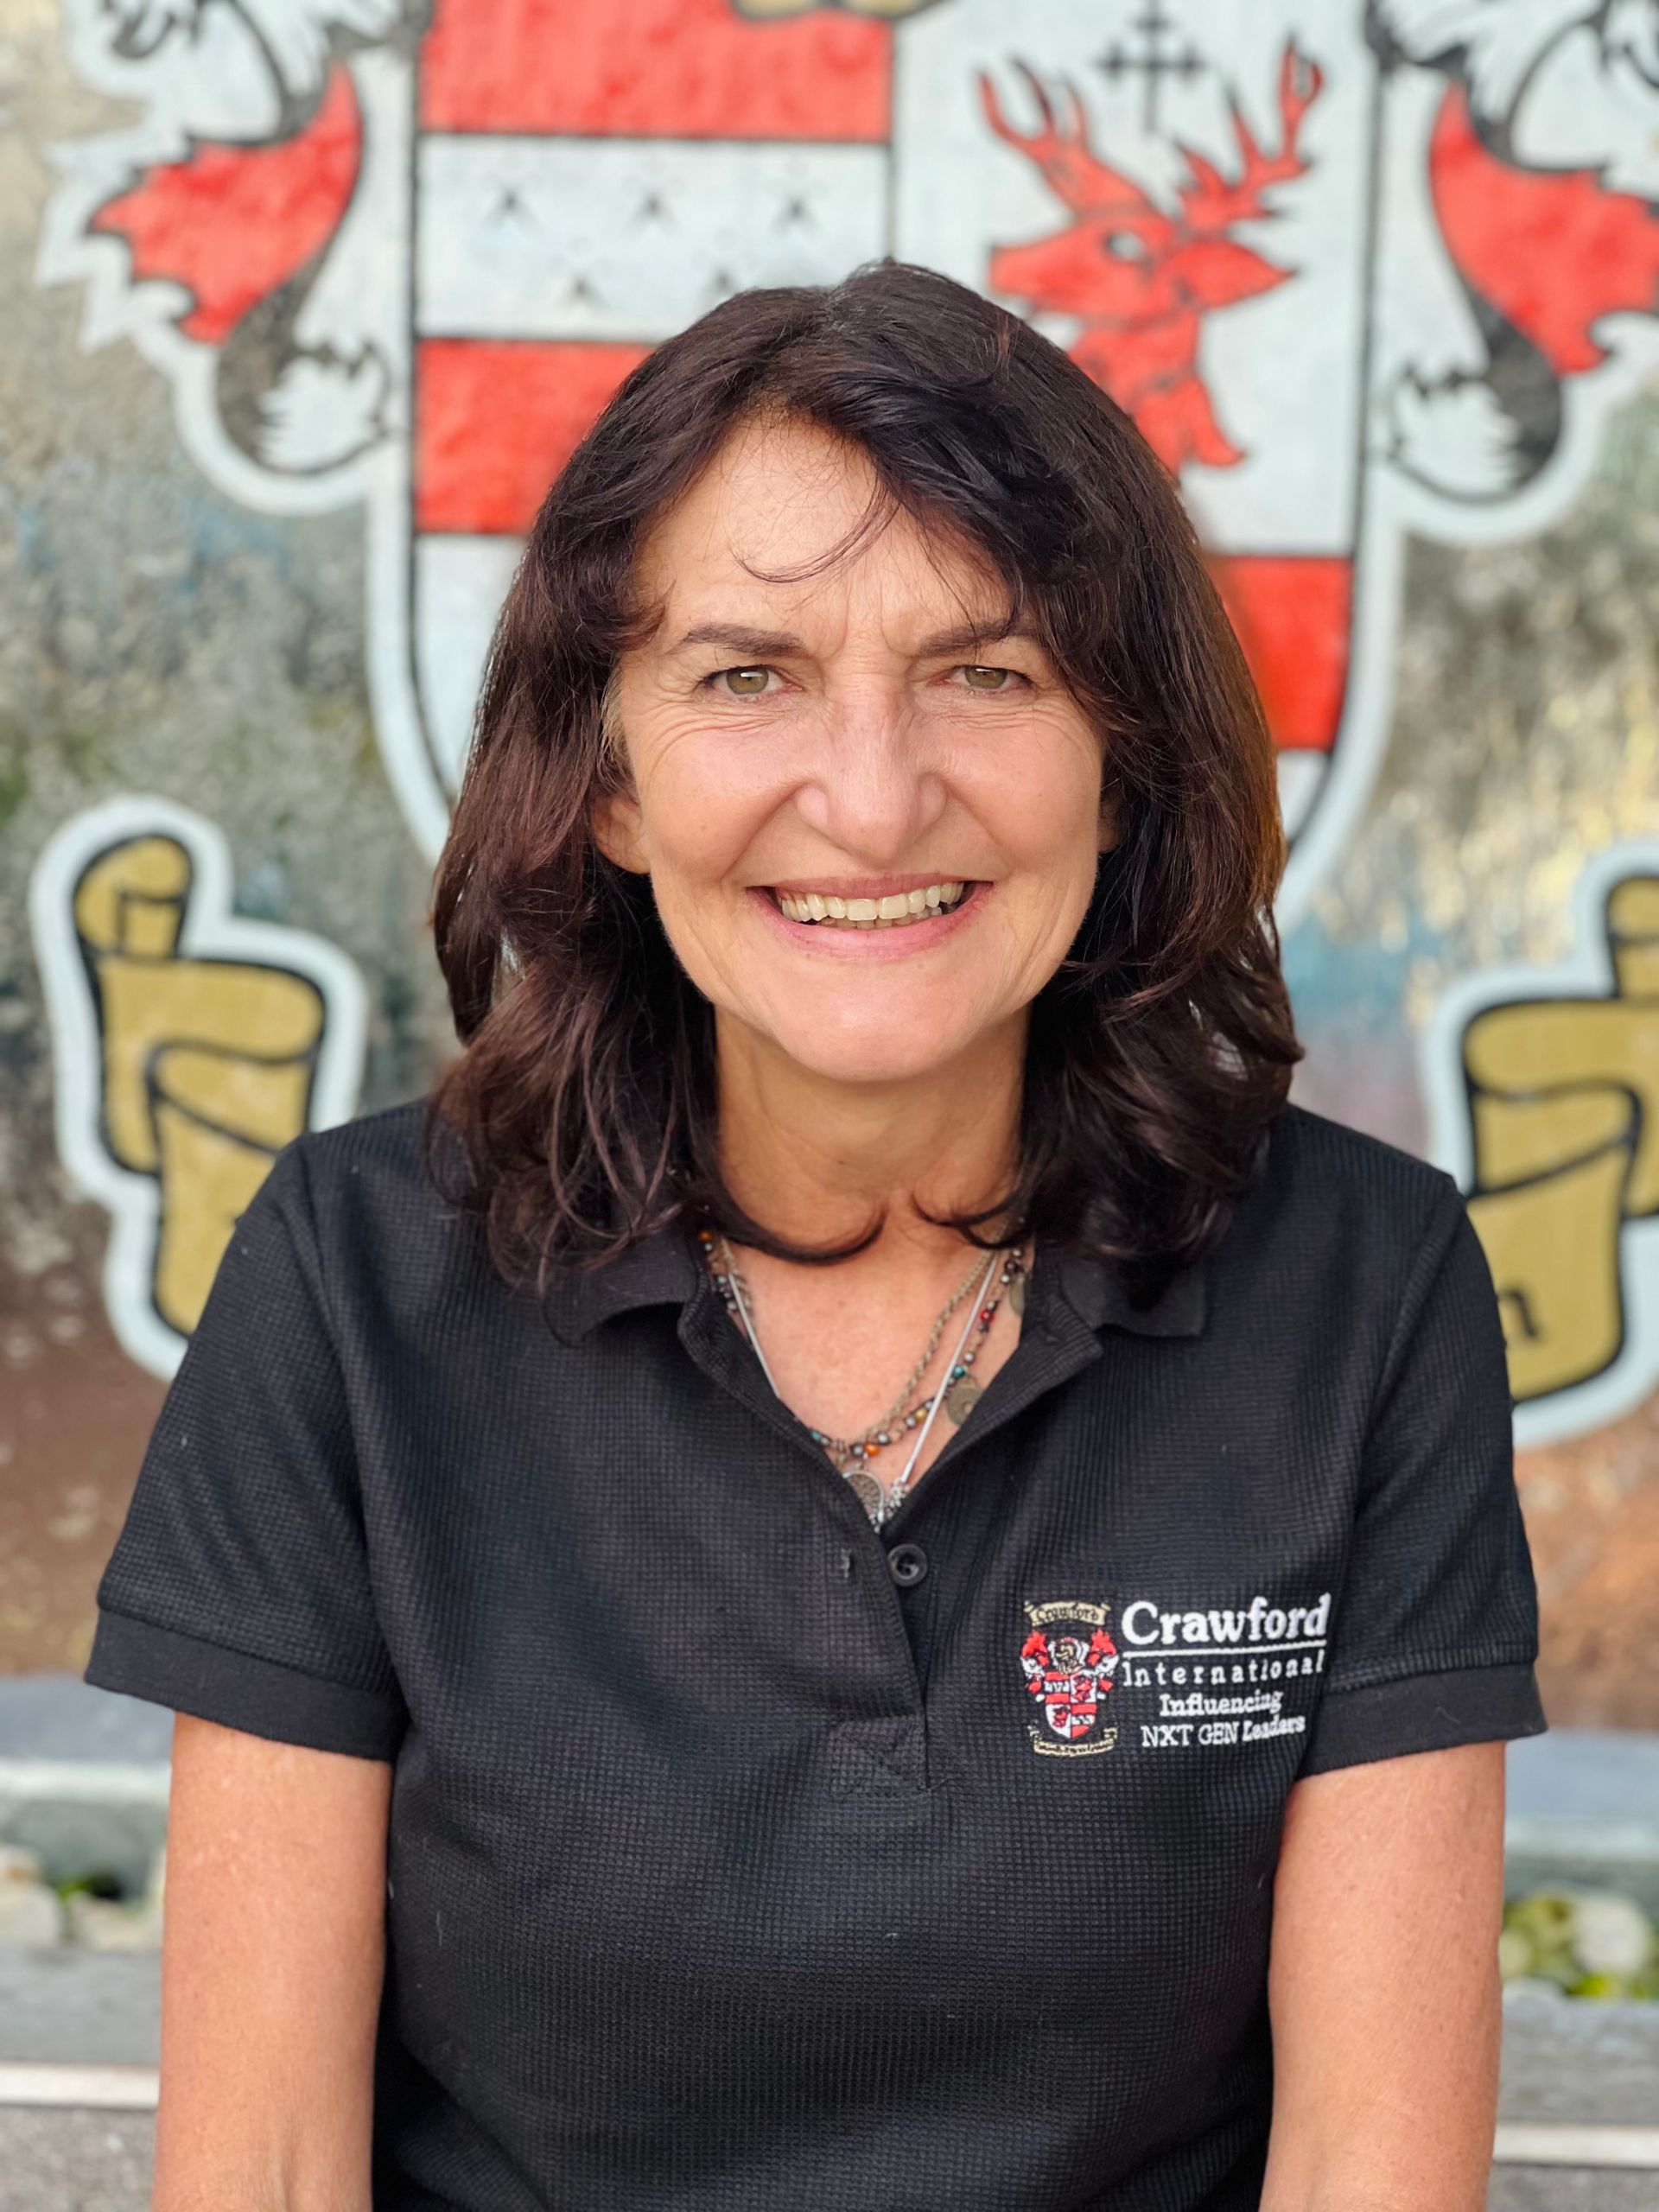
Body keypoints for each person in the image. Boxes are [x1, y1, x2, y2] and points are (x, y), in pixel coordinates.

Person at [84, 261, 1544, 2212]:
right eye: (746, 674)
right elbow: (263, 2165)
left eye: (988, 672)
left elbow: (1372, 2161)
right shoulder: (353, 1288)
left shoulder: (1365, 1289)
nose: (870, 800)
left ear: (1123, 765)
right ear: (605, 778)